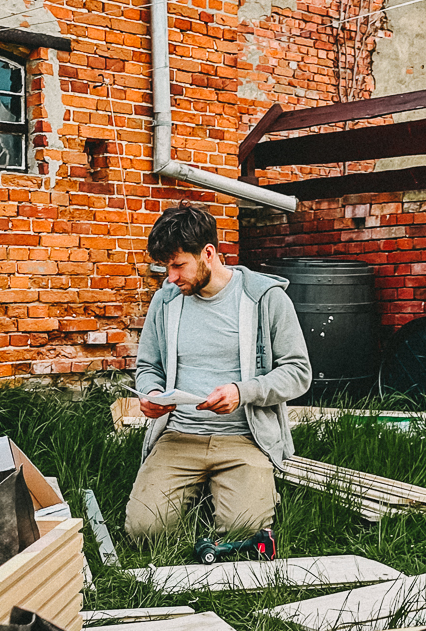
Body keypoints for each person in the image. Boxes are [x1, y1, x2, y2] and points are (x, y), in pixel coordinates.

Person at [125, 201, 312, 541]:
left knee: (243, 533)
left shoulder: (265, 298)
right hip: (178, 436)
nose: (171, 277)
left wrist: (243, 393)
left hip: (244, 439)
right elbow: (148, 366)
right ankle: (198, 494)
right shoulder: (165, 302)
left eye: (179, 266)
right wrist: (151, 393)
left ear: (208, 253)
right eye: (166, 268)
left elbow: (298, 372)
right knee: (144, 532)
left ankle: (234, 494)